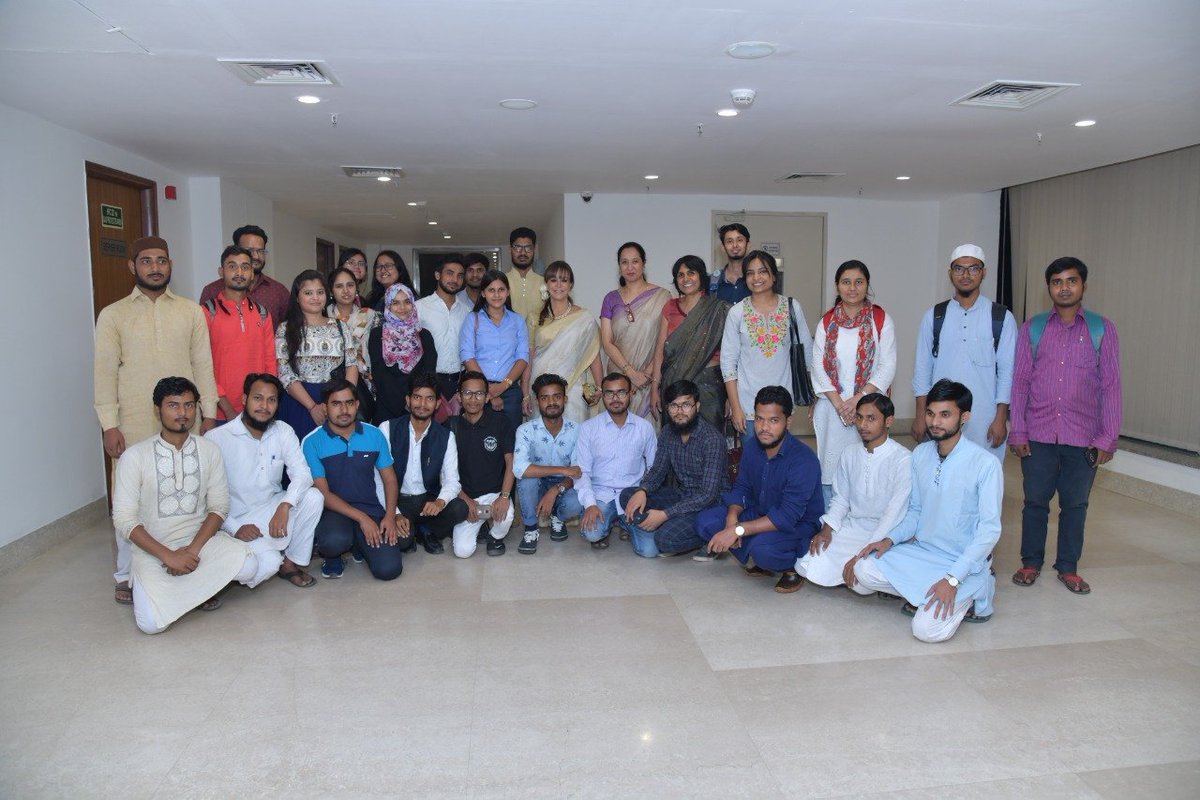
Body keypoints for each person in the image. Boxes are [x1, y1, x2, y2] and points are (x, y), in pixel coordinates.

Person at [95, 235, 221, 606]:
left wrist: (209, 413)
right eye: (146, 261)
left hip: (184, 417)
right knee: (128, 498)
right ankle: (126, 574)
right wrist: (109, 424)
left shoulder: (189, 311)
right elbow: (104, 373)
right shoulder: (113, 314)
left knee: (187, 492)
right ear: (132, 266)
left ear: (170, 265)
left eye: (161, 260)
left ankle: (190, 561)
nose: (155, 267)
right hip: (133, 421)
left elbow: (203, 364)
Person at [846, 379, 1001, 642]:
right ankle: (924, 593)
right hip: (925, 553)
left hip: (962, 562)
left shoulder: (985, 464)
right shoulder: (921, 454)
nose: (935, 422)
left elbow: (989, 531)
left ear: (964, 417)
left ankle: (978, 587)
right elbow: (916, 511)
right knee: (863, 571)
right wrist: (889, 539)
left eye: (945, 415)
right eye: (930, 413)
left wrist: (952, 579)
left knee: (926, 631)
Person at [112, 377, 262, 634]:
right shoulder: (134, 456)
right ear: (157, 409)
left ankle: (184, 587)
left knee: (249, 567)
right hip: (154, 548)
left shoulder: (209, 450)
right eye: (173, 405)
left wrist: (191, 551)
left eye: (189, 405)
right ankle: (192, 589)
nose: (182, 413)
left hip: (199, 543)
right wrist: (168, 555)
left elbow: (219, 507)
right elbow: (124, 519)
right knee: (150, 625)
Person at [1009, 257, 1122, 596]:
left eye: (1072, 280)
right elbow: (1020, 383)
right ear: (1050, 288)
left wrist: (1107, 438)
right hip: (1039, 433)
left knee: (1075, 505)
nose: (1064, 287)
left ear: (1083, 286)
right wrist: (1018, 430)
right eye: (1057, 281)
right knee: (1035, 503)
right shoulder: (1033, 328)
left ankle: (1068, 567)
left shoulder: (1102, 330)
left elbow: (1111, 386)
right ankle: (1030, 562)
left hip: (1083, 437)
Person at [695, 385, 823, 593]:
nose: (764, 427)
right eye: (760, 419)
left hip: (796, 525)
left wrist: (737, 530)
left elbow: (786, 516)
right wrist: (732, 519)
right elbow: (742, 487)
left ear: (787, 421)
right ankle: (756, 549)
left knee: (763, 550)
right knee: (704, 523)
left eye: (773, 420)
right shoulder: (754, 446)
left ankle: (792, 568)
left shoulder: (803, 460)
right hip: (760, 511)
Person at [206, 373, 324, 588]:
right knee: (267, 565)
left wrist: (285, 505)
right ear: (244, 400)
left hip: (272, 509)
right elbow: (207, 496)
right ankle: (240, 558)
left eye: (272, 400)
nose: (264, 406)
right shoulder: (217, 439)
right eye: (258, 398)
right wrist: (233, 528)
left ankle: (290, 563)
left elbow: (303, 474)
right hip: (237, 518)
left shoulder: (283, 431)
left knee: (313, 497)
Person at [911, 244, 1017, 459]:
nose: (966, 275)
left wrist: (1000, 419)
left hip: (984, 419)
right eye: (959, 268)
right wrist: (921, 414)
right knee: (941, 476)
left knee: (983, 478)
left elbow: (1007, 373)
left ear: (984, 272)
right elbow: (922, 369)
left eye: (974, 268)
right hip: (941, 417)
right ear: (950, 273)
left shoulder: (1001, 317)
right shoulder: (934, 316)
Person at [795, 393, 911, 589]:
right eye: (859, 417)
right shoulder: (849, 453)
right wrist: (826, 530)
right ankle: (845, 572)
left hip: (884, 534)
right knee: (804, 564)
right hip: (854, 527)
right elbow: (841, 500)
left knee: (862, 581)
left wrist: (862, 554)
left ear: (889, 421)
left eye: (871, 418)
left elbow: (894, 513)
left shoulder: (903, 459)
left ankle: (853, 571)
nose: (863, 425)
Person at [810, 260, 897, 507]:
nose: (852, 288)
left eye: (859, 282)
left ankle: (864, 521)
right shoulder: (826, 322)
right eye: (846, 282)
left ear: (867, 285)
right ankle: (830, 523)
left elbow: (887, 365)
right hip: (832, 408)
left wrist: (857, 400)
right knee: (831, 468)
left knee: (866, 467)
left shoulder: (880, 319)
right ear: (837, 286)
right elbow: (817, 366)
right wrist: (840, 404)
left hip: (868, 407)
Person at [302, 379, 405, 580]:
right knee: (332, 542)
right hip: (333, 511)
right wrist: (362, 518)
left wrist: (390, 516)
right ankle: (335, 556)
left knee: (389, 570)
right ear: (325, 408)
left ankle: (361, 545)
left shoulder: (374, 434)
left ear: (357, 405)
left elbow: (390, 480)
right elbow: (323, 493)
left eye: (349, 403)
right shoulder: (312, 441)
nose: (344, 410)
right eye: (336, 403)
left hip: (371, 507)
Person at [621, 379, 726, 558]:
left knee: (665, 541)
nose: (679, 412)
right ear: (667, 408)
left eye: (686, 405)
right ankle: (658, 524)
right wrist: (643, 490)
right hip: (682, 495)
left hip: (710, 505)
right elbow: (657, 471)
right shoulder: (668, 432)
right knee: (628, 496)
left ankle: (710, 536)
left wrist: (665, 514)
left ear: (697, 406)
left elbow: (708, 494)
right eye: (674, 406)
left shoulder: (712, 439)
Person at [720, 250, 813, 436]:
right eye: (750, 273)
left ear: (773, 276)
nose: (756, 277)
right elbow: (728, 363)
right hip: (748, 405)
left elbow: (807, 355)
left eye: (762, 271)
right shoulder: (737, 312)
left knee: (780, 460)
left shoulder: (792, 307)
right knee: (753, 461)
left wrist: (813, 396)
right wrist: (736, 407)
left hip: (783, 402)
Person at [377, 372, 469, 555]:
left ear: (437, 404)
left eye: (429, 399)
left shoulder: (445, 436)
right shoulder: (387, 429)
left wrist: (440, 502)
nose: (422, 404)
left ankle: (427, 530)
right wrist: (394, 513)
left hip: (427, 500)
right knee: (402, 542)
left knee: (460, 508)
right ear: (408, 400)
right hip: (397, 499)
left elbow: (452, 481)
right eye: (417, 398)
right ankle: (413, 532)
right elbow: (378, 480)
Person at [573, 373, 657, 549]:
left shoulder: (644, 428)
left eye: (621, 393)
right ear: (602, 396)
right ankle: (610, 524)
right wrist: (590, 505)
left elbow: (654, 467)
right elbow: (582, 471)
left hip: (632, 496)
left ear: (630, 394)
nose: (615, 399)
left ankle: (625, 523)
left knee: (649, 550)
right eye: (609, 393)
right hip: (601, 494)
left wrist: (644, 492)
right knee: (592, 533)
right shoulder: (588, 428)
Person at [275, 270, 359, 441]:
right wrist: (312, 406)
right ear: (297, 297)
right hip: (299, 401)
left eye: (320, 292)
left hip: (335, 400)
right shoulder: (285, 329)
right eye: (308, 293)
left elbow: (351, 365)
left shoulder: (340, 327)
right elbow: (285, 373)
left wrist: (344, 401)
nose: (315, 297)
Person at [651, 255, 730, 430]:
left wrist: (731, 396)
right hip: (674, 384)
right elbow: (659, 352)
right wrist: (654, 388)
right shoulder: (670, 307)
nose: (686, 279)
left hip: (710, 387)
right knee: (677, 441)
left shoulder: (718, 308)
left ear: (701, 276)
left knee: (710, 441)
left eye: (691, 273)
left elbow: (730, 356)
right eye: (680, 275)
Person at [521, 261, 602, 423]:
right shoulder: (534, 317)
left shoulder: (584, 318)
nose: (558, 285)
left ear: (571, 285)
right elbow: (528, 358)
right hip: (541, 388)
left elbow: (593, 356)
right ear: (546, 284)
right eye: (553, 280)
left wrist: (600, 387)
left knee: (573, 440)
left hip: (573, 391)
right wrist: (525, 394)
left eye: (564, 280)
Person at [203, 245, 277, 423]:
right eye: (232, 266)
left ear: (252, 273)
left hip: (258, 411)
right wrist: (226, 408)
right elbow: (202, 366)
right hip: (220, 413)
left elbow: (270, 364)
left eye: (245, 267)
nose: (239, 272)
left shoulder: (263, 314)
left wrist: (265, 403)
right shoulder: (206, 313)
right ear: (221, 272)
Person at [514, 374, 585, 554]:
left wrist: (556, 489)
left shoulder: (577, 430)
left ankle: (558, 518)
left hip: (564, 485)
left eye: (557, 396)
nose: (551, 402)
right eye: (545, 398)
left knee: (579, 499)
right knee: (526, 480)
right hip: (537, 484)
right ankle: (531, 528)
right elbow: (520, 468)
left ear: (565, 399)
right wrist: (562, 469)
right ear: (538, 401)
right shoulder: (525, 430)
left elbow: (576, 472)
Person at [599, 242, 671, 420]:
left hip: (651, 380)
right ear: (619, 267)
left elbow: (666, 341)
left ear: (644, 264)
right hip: (619, 380)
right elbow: (607, 342)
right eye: (624, 262)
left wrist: (646, 375)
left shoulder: (663, 297)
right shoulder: (610, 298)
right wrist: (630, 373)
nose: (630, 267)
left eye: (635, 261)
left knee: (647, 436)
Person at [447, 371, 516, 558]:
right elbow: (446, 473)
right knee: (462, 552)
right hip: (466, 496)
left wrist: (504, 496)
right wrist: (466, 500)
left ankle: (494, 536)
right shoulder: (451, 426)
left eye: (479, 394)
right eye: (467, 393)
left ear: (487, 397)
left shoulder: (501, 422)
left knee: (507, 515)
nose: (473, 399)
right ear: (459, 397)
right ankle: (480, 525)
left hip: (495, 494)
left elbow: (511, 462)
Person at [459, 269, 528, 429]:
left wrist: (503, 386)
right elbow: (467, 355)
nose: (496, 295)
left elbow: (522, 357)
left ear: (508, 292)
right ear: (483, 293)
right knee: (479, 441)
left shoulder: (517, 321)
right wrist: (486, 390)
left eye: (501, 290)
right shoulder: (472, 319)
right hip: (477, 392)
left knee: (509, 442)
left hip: (510, 392)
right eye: (491, 290)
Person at [368, 284, 437, 424]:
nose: (402, 308)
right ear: (388, 306)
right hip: (386, 410)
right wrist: (402, 405)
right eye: (395, 303)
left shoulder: (424, 336)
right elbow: (379, 374)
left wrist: (413, 403)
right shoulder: (377, 335)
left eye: (407, 302)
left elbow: (428, 373)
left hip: (418, 409)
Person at [200, 225, 290, 327]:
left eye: (260, 251)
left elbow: (289, 331)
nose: (256, 256)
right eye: (250, 250)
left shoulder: (278, 291)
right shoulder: (212, 290)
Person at [415, 254, 472, 402]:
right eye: (450, 273)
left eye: (460, 275)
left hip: (460, 381)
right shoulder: (419, 308)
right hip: (429, 381)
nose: (455, 280)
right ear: (437, 275)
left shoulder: (467, 312)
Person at [327, 265, 378, 419]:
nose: (346, 290)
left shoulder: (370, 316)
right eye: (339, 286)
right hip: (331, 381)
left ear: (356, 287)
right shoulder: (323, 315)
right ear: (331, 291)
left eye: (350, 285)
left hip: (365, 383)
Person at [506, 226, 546, 319]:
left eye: (528, 248)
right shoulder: (501, 282)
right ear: (510, 249)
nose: (523, 253)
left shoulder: (545, 282)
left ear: (534, 249)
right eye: (518, 248)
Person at [709, 223, 752, 303]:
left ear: (748, 245)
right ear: (723, 247)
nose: (735, 245)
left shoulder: (756, 280)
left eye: (739, 240)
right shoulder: (712, 281)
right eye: (729, 241)